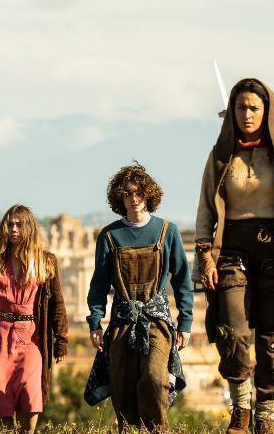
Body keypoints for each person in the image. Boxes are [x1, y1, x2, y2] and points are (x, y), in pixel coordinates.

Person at [194, 78, 274, 434]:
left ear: (267, 112)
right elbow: (206, 209)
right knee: (232, 329)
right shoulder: (220, 154)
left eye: (254, 108)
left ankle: (266, 416)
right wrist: (205, 255)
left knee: (272, 337)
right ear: (231, 111)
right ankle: (241, 408)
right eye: (240, 107)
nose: (247, 114)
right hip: (232, 248)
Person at [84, 162, 192, 431]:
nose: (133, 198)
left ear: (148, 194)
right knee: (122, 388)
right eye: (127, 193)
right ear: (119, 198)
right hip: (121, 323)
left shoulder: (168, 232)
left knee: (155, 378)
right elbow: (98, 285)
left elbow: (182, 281)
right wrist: (95, 322)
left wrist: (186, 323)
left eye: (138, 192)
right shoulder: (109, 236)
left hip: (157, 321)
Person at [0, 204, 68, 434]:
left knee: (30, 406)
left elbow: (57, 305)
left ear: (29, 228)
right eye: (9, 224)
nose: (13, 229)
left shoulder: (46, 261)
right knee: (1, 410)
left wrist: (61, 339)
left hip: (31, 337)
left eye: (19, 225)